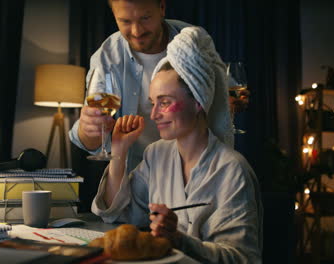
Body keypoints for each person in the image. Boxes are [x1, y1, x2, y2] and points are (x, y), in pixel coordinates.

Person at [91, 27, 262, 263]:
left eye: (165, 102)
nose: (153, 114)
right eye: (152, 103)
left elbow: (244, 259)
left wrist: (179, 239)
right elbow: (118, 214)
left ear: (198, 102)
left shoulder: (232, 170)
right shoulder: (156, 154)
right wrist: (119, 150)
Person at [69, 0, 248, 174]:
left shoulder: (192, 41)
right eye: (125, 21)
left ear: (162, 7)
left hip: (195, 169)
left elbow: (223, 95)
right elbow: (92, 142)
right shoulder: (106, 58)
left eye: (145, 18)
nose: (136, 31)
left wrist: (227, 102)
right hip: (136, 171)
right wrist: (89, 129)